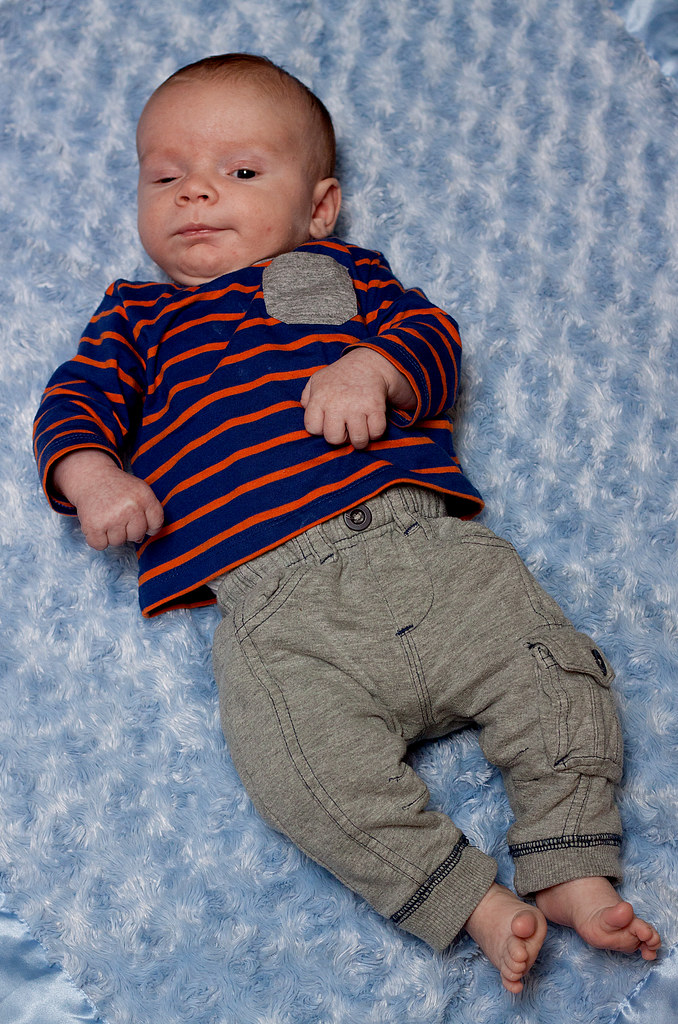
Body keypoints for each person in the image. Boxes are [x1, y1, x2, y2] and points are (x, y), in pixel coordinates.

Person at [33, 53, 661, 993]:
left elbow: (432, 337)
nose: (196, 191)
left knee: (551, 673)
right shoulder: (136, 318)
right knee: (296, 775)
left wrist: (374, 370)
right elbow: (73, 403)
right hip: (277, 617)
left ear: (320, 207)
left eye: (241, 171)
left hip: (428, 554)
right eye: (165, 177)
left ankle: (569, 858)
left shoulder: (338, 272)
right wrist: (91, 477)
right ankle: (470, 901)